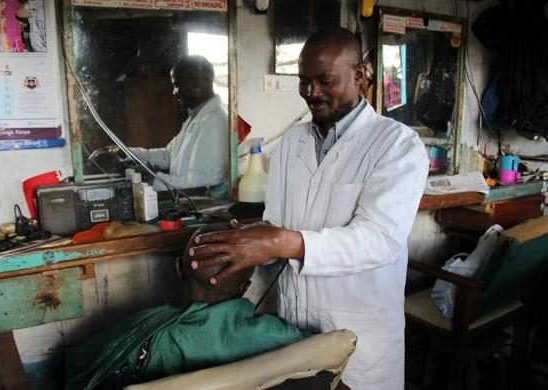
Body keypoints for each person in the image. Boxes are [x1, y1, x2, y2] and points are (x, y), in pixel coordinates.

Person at [187, 27, 429, 389]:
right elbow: (279, 224)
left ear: (360, 75)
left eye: (324, 80)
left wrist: (278, 243)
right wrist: (247, 243)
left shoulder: (397, 145)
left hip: (360, 336)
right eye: (303, 81)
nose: (310, 92)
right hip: (294, 331)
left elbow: (378, 240)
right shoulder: (292, 142)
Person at [64, 223, 309, 390]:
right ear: (244, 287)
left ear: (179, 268)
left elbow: (76, 371)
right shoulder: (275, 334)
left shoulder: (145, 334)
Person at [130, 55, 228, 191]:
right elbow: (169, 156)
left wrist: (153, 178)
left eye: (177, 85)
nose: (174, 92)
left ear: (197, 83)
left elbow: (201, 184)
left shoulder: (214, 122)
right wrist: (127, 152)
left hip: (198, 205)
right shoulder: (195, 117)